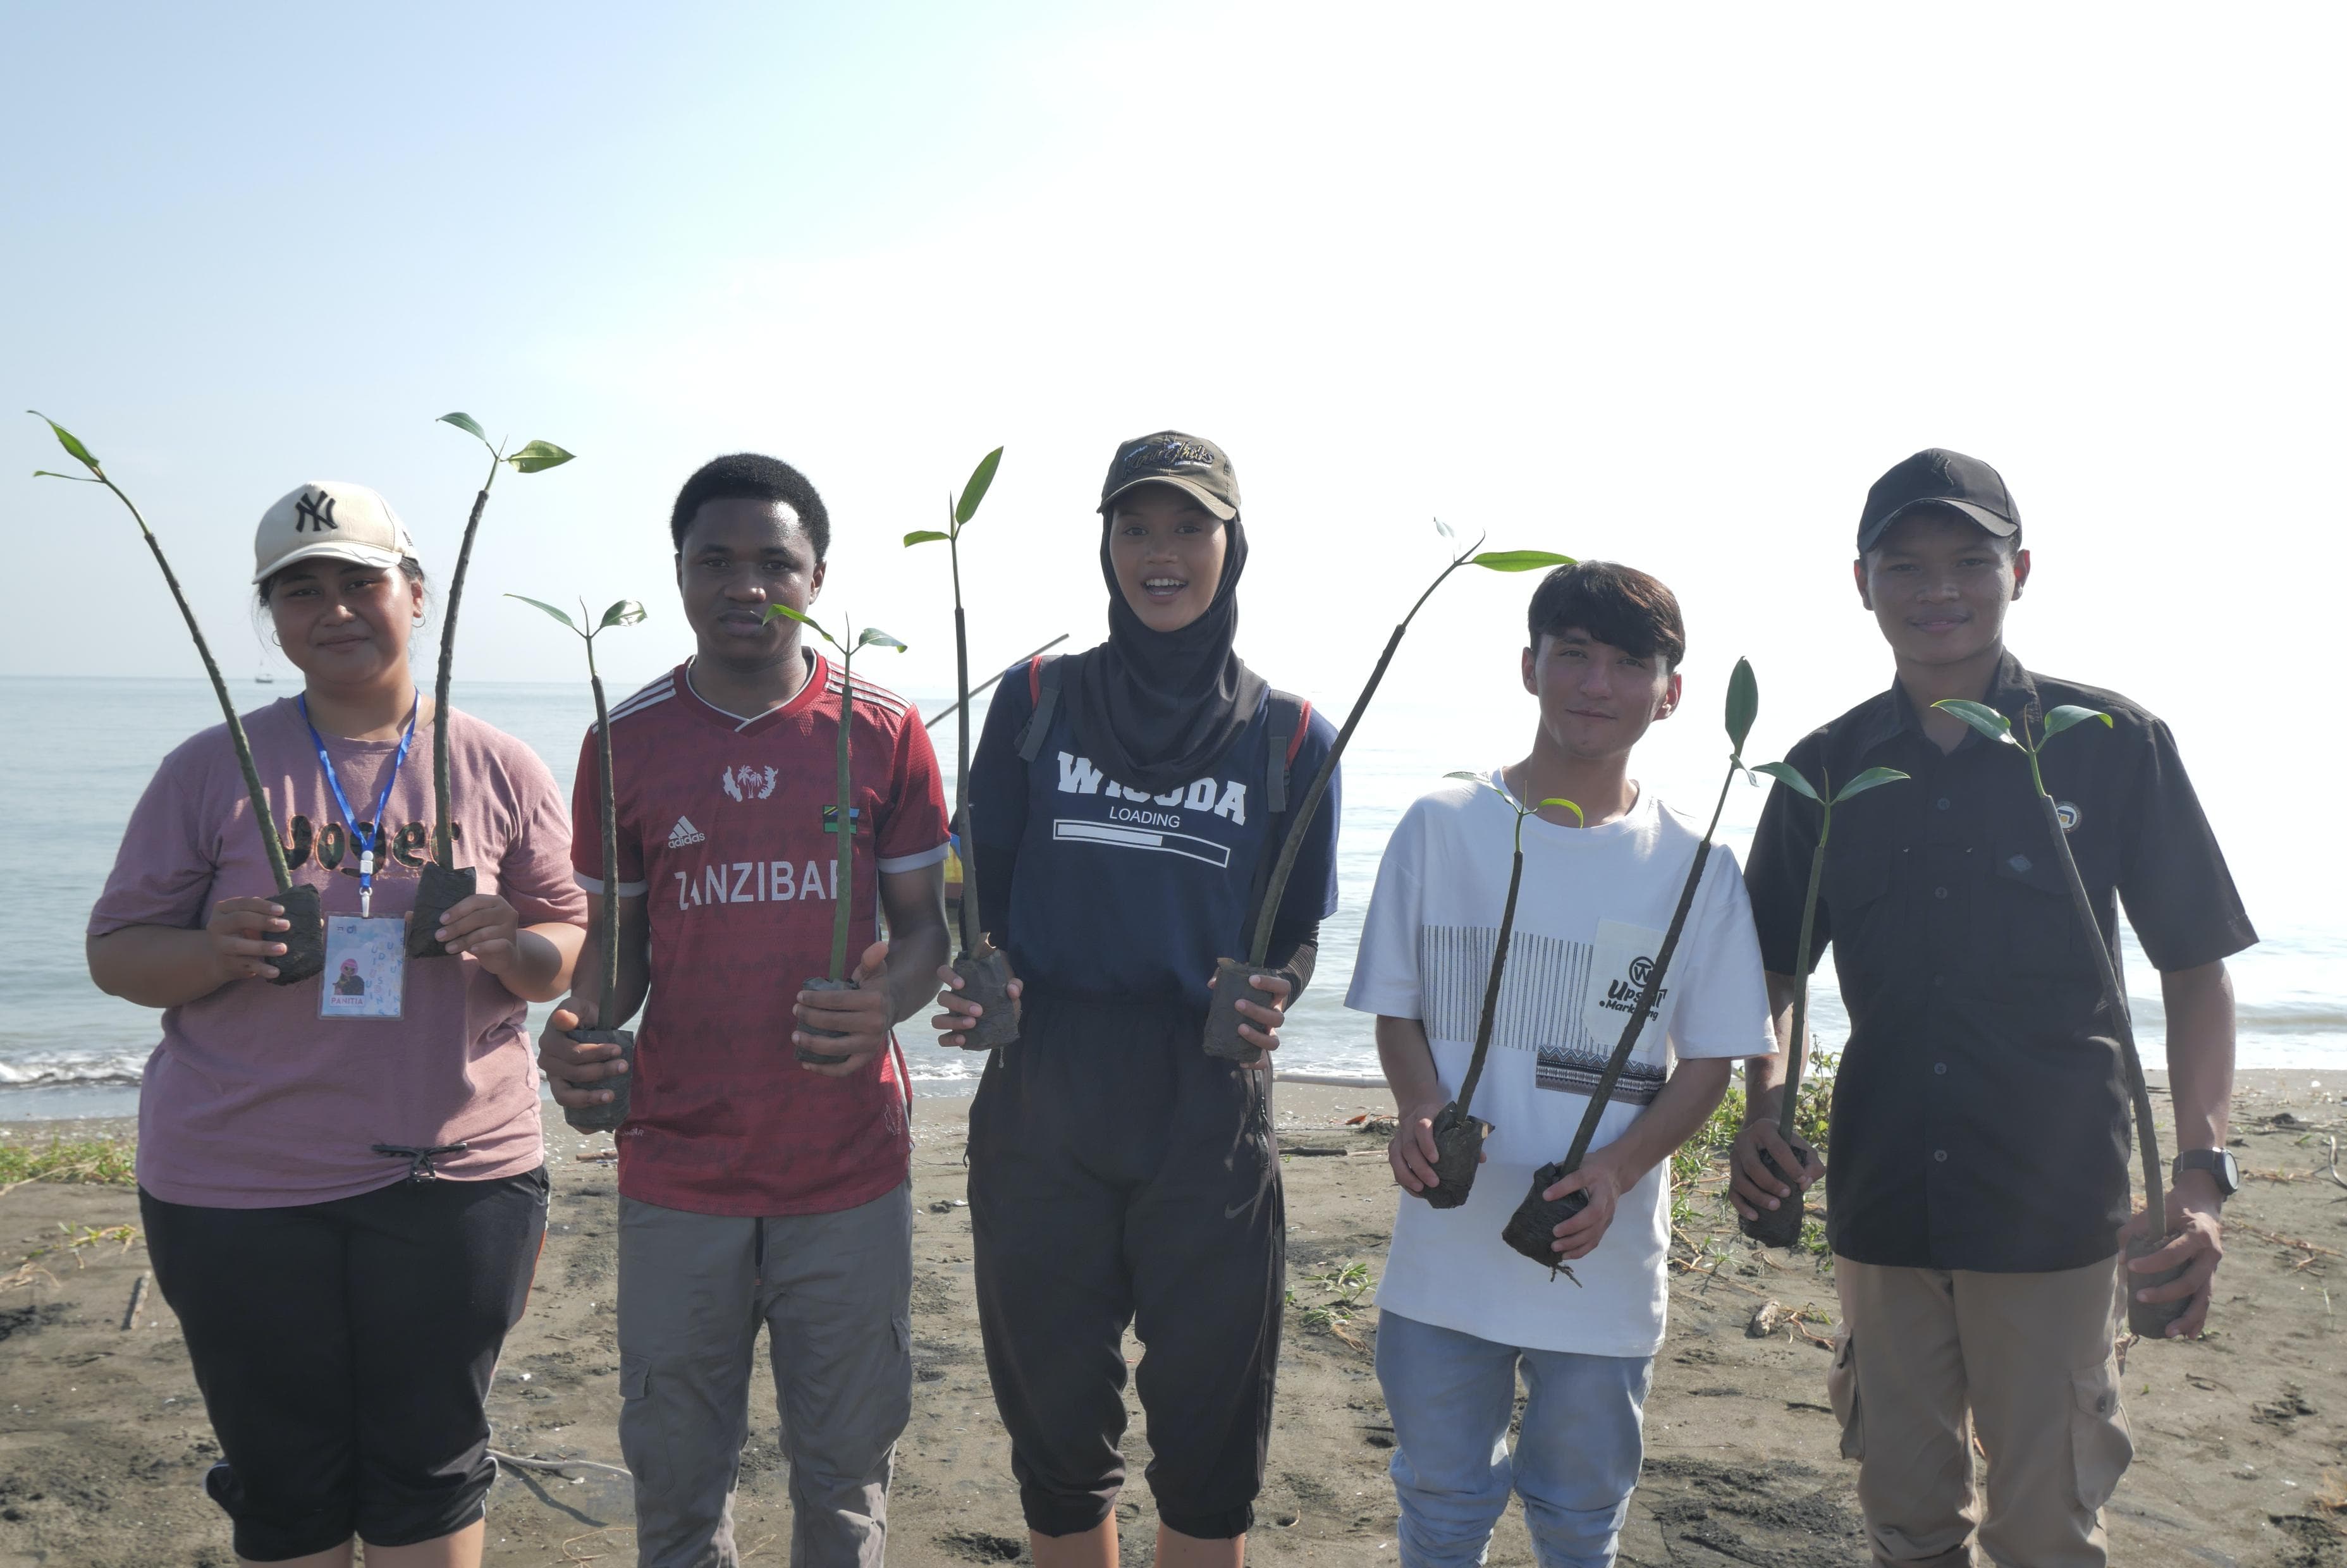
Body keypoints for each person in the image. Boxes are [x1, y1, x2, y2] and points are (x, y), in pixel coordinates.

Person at [1731, 450, 2255, 1568]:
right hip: (1881, 1203)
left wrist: (2204, 1175)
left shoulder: (2112, 745)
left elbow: (2197, 968)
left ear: (2020, 570)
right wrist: (1767, 1106)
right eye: (1904, 565)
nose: (1939, 591)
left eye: (1970, 561)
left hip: (2057, 1207)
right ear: (1859, 582)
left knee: (2047, 1526)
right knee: (1907, 1518)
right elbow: (1771, 972)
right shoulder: (1822, 771)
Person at [87, 481, 588, 1568]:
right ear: (271, 618)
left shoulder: (497, 763)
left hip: (455, 1175)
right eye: (300, 590)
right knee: (284, 1480)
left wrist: (513, 944)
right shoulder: (210, 766)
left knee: (432, 1465)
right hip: (235, 1183)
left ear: (416, 594)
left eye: (361, 582)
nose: (336, 610)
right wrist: (212, 950)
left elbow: (564, 944)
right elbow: (117, 953)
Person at [537, 453, 951, 1568]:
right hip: (679, 1168)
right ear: (677, 574)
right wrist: (574, 1037)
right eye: (715, 560)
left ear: (817, 577)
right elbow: (615, 967)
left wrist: (885, 1008)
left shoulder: (884, 728)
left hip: (849, 1168)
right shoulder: (621, 743)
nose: (745, 585)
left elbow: (926, 933)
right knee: (676, 1481)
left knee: (847, 1479)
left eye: (776, 561)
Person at [933, 431, 1339, 1568]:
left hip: (1204, 1101)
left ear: (1233, 544)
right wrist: (980, 970)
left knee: (1212, 1436)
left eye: (1189, 527)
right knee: (1057, 1427)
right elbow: (980, 886)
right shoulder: (1033, 701)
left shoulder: (1292, 735)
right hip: (1043, 1095)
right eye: (1136, 527)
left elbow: (1301, 930)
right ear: (1106, 544)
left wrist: (1272, 995)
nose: (1161, 553)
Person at [1350, 562, 1775, 1568]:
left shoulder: (1697, 865)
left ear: (1670, 694)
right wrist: (1420, 1107)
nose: (1596, 683)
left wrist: (1619, 1172)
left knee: (1583, 1522)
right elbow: (1398, 1011)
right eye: (1573, 654)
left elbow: (1710, 1062)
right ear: (1529, 666)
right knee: (1442, 1505)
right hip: (1441, 1263)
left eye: (1631, 664)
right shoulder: (1442, 826)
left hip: (1605, 1260)